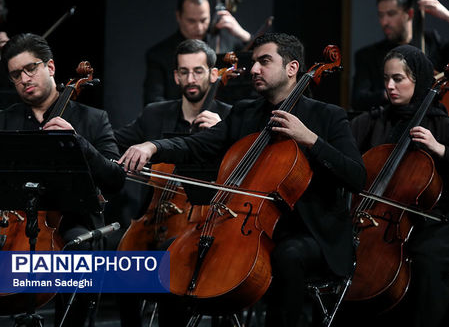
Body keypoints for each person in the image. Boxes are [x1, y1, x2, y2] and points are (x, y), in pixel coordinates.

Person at [120, 32, 366, 326]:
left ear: (292, 68)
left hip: (310, 234)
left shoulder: (327, 116)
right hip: (245, 227)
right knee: (171, 254)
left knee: (288, 256)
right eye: (254, 62)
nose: (253, 69)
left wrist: (311, 140)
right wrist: (154, 146)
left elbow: (356, 176)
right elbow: (198, 145)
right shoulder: (246, 112)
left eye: (264, 61)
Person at [349, 45, 449, 327]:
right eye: (386, 79)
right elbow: (341, 150)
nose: (389, 86)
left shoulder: (443, 125)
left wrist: (440, 149)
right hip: (379, 223)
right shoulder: (374, 121)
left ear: (419, 79)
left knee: (423, 262)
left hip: (434, 225)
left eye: (398, 79)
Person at [0, 33, 125, 326]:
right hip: (14, 219)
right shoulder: (5, 119)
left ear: (51, 67)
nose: (24, 79)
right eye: (16, 74)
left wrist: (77, 142)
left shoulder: (93, 119)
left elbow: (115, 180)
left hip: (72, 221)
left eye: (31, 68)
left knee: (77, 251)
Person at [113, 38, 232, 327]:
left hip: (208, 227)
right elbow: (112, 143)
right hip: (156, 217)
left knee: (170, 258)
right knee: (120, 260)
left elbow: (241, 173)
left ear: (214, 74)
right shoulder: (155, 114)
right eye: (184, 72)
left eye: (198, 71)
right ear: (176, 76)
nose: (191, 79)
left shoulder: (229, 117)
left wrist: (222, 134)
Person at [352, 0, 449, 111]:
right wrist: (393, 92)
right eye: (381, 15)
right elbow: (358, 100)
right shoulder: (368, 55)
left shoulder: (432, 43)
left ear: (409, 13)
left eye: (391, 14)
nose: (384, 22)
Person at [143, 0, 251, 105]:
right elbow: (153, 102)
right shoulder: (159, 55)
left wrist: (245, 36)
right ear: (178, 16)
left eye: (204, 20)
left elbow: (258, 60)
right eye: (191, 21)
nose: (199, 28)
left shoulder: (226, 42)